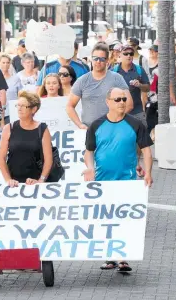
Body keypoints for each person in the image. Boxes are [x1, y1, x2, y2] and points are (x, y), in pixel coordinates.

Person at [82, 87, 153, 273]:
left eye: (124, 99)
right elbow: (88, 152)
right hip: (103, 182)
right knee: (106, 219)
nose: (122, 102)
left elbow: (146, 150)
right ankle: (110, 256)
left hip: (127, 180)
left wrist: (148, 173)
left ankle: (123, 258)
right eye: (117, 99)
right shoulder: (96, 125)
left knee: (124, 219)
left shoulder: (135, 124)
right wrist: (90, 168)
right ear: (108, 102)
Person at [66, 43, 133, 129]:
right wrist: (80, 124)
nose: (98, 61)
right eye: (95, 58)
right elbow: (69, 106)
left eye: (102, 59)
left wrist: (115, 120)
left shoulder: (117, 78)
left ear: (107, 60)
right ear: (91, 59)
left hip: (112, 129)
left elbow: (129, 104)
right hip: (89, 131)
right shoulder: (82, 81)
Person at [0, 90, 53, 186]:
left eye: (23, 106)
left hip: (35, 183)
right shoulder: (9, 128)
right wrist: (8, 180)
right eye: (18, 105)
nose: (19, 109)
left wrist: (41, 180)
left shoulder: (42, 129)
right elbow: (1, 158)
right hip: (14, 184)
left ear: (34, 109)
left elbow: (49, 159)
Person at [112, 45, 150, 126]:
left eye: (131, 53)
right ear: (120, 55)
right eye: (126, 54)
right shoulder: (114, 71)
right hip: (119, 113)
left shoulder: (139, 69)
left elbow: (147, 88)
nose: (129, 56)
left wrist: (139, 85)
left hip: (137, 112)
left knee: (142, 137)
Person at [0, 53, 22, 124]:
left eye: (8, 62)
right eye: (3, 62)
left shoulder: (16, 79)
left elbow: (20, 95)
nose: (5, 64)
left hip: (12, 112)